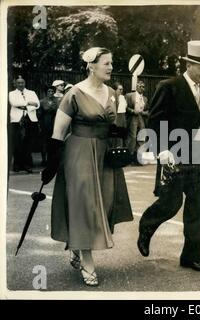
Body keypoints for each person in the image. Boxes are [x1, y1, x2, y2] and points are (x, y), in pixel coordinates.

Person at [41, 47, 133, 286]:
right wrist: (51, 164)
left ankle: (77, 245)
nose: (111, 67)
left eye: (112, 63)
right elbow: (58, 132)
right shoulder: (74, 93)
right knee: (85, 205)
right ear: (91, 66)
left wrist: (117, 129)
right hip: (79, 153)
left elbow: (115, 123)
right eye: (107, 63)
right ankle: (87, 260)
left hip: (105, 155)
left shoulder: (112, 93)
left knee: (106, 202)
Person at [137, 40, 200, 272]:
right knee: (171, 203)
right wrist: (161, 150)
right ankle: (146, 226)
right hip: (173, 154)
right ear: (189, 64)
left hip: (198, 156)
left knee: (196, 206)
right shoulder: (169, 86)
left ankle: (191, 256)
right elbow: (155, 120)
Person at [9, 76, 40, 173]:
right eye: (19, 83)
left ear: (25, 83)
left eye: (22, 82)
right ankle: (17, 165)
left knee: (29, 143)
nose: (21, 84)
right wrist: (29, 103)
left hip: (30, 119)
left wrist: (27, 106)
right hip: (16, 119)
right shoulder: (12, 93)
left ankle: (27, 165)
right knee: (17, 143)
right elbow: (14, 103)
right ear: (15, 84)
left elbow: (37, 104)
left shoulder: (32, 93)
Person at [125, 80, 148, 164]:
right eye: (140, 86)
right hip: (133, 118)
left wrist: (144, 113)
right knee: (132, 137)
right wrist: (132, 111)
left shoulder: (145, 99)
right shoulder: (129, 95)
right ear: (137, 86)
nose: (142, 88)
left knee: (141, 137)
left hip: (141, 118)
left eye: (143, 87)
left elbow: (148, 110)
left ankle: (138, 157)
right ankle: (129, 156)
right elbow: (125, 107)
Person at [39, 86, 59, 165]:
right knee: (44, 142)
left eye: (52, 91)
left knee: (53, 142)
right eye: (49, 91)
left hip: (54, 123)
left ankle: (52, 159)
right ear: (46, 92)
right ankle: (44, 160)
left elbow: (58, 111)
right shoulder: (42, 101)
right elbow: (39, 114)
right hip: (45, 123)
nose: (51, 93)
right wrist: (40, 125)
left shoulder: (57, 101)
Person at [112, 81, 128, 147]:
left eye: (122, 89)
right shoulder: (112, 98)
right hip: (116, 118)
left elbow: (125, 107)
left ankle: (121, 149)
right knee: (115, 137)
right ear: (115, 90)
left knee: (122, 137)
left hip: (123, 117)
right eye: (120, 89)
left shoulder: (123, 97)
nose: (121, 91)